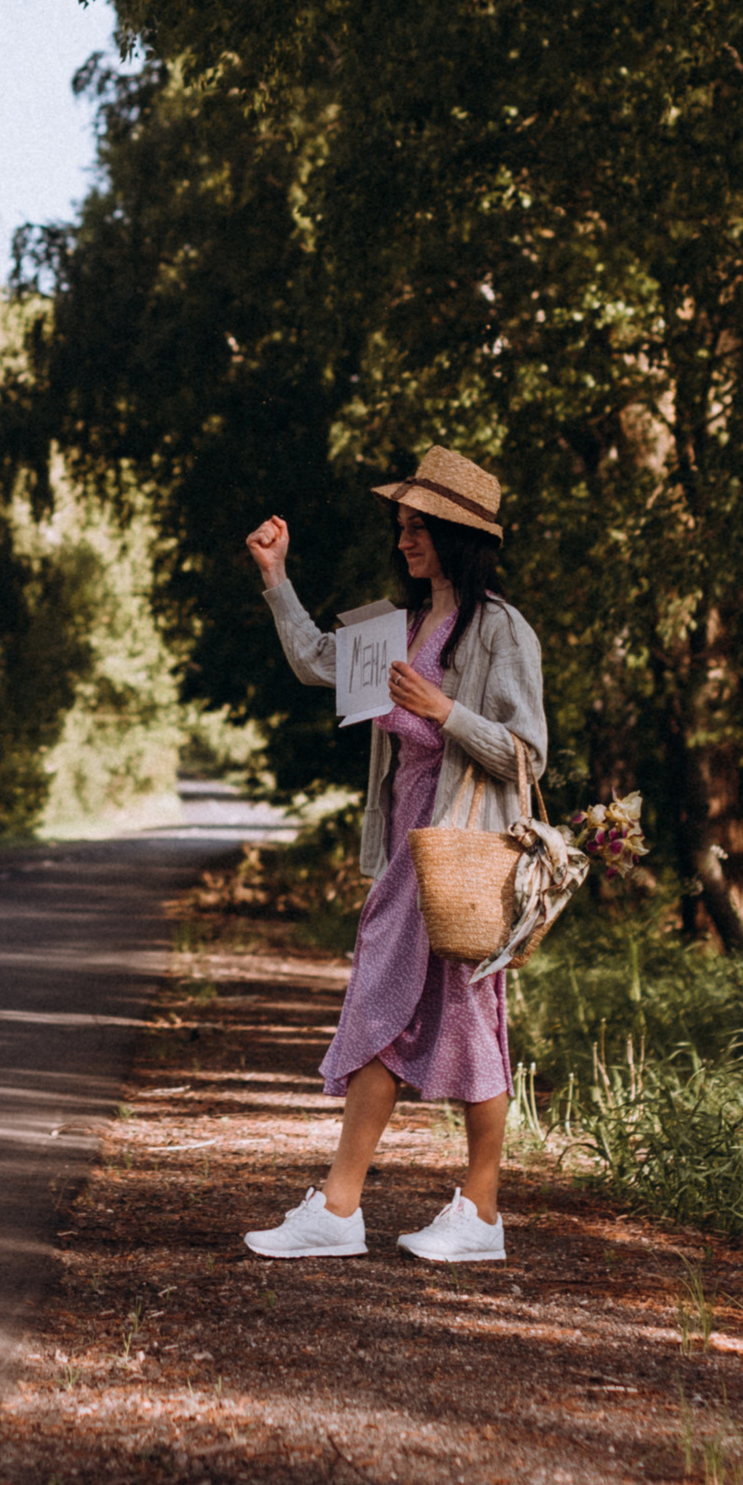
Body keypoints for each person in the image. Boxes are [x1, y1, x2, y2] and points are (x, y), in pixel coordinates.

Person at [239, 446, 546, 1266]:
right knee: (398, 1003)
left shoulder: (500, 630)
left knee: (462, 1013)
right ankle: (363, 1210)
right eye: (402, 526)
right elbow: (315, 662)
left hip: (464, 845)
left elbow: (528, 754)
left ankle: (456, 1212)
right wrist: (276, 575)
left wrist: (446, 711)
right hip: (407, 843)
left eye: (420, 528)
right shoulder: (400, 628)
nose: (404, 541)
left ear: (459, 535)